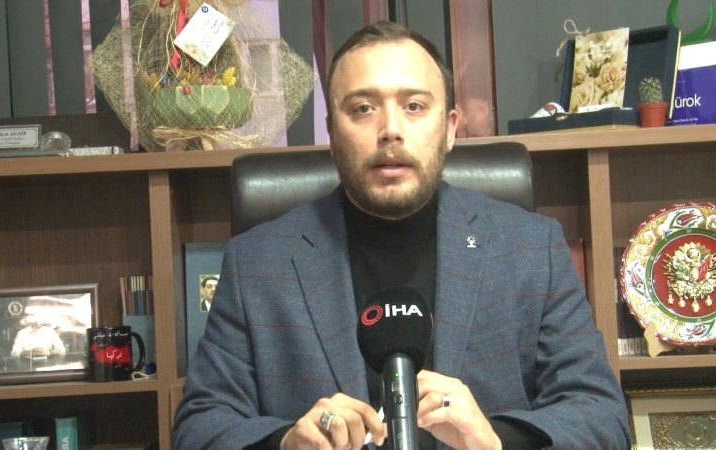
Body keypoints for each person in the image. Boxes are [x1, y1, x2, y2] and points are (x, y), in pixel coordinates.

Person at [172, 20, 630, 450]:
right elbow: (199, 426)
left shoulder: (531, 248)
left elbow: (602, 415)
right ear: (332, 134)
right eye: (363, 109)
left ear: (449, 129)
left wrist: (494, 441)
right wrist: (285, 441)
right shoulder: (257, 263)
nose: (390, 130)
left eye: (414, 106)